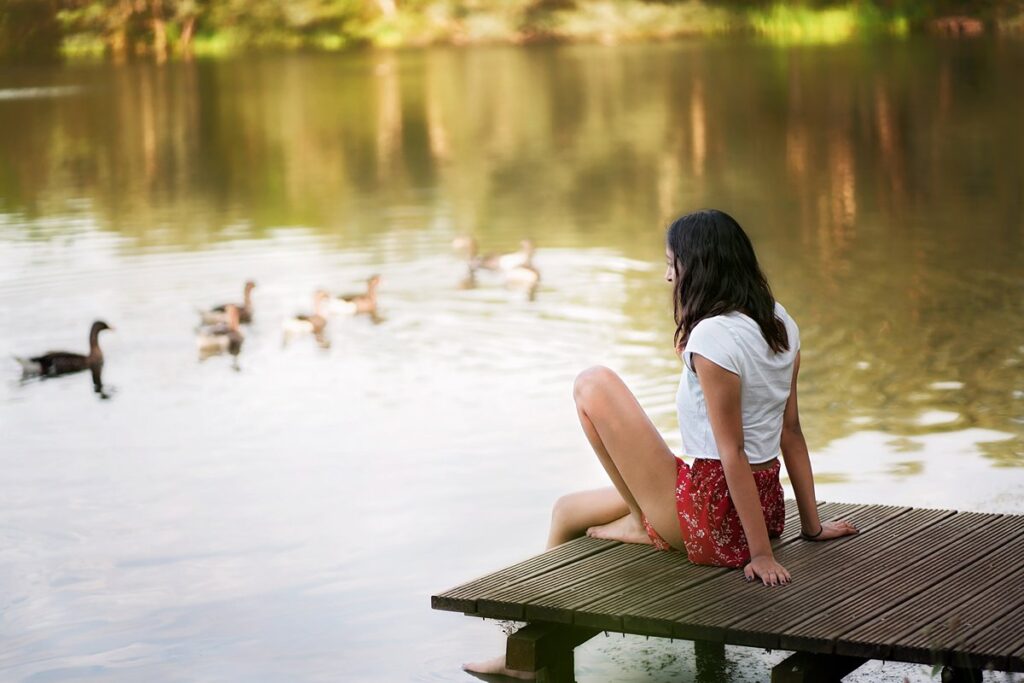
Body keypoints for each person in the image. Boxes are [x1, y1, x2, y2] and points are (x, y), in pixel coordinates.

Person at [464, 209, 857, 679]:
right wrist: (808, 527)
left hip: (714, 512)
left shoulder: (714, 336)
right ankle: (522, 652)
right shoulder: (780, 322)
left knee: (592, 383)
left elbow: (730, 451)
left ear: (696, 266)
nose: (667, 274)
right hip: (761, 505)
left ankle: (632, 527)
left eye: (672, 262)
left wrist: (760, 555)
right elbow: (791, 431)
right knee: (567, 511)